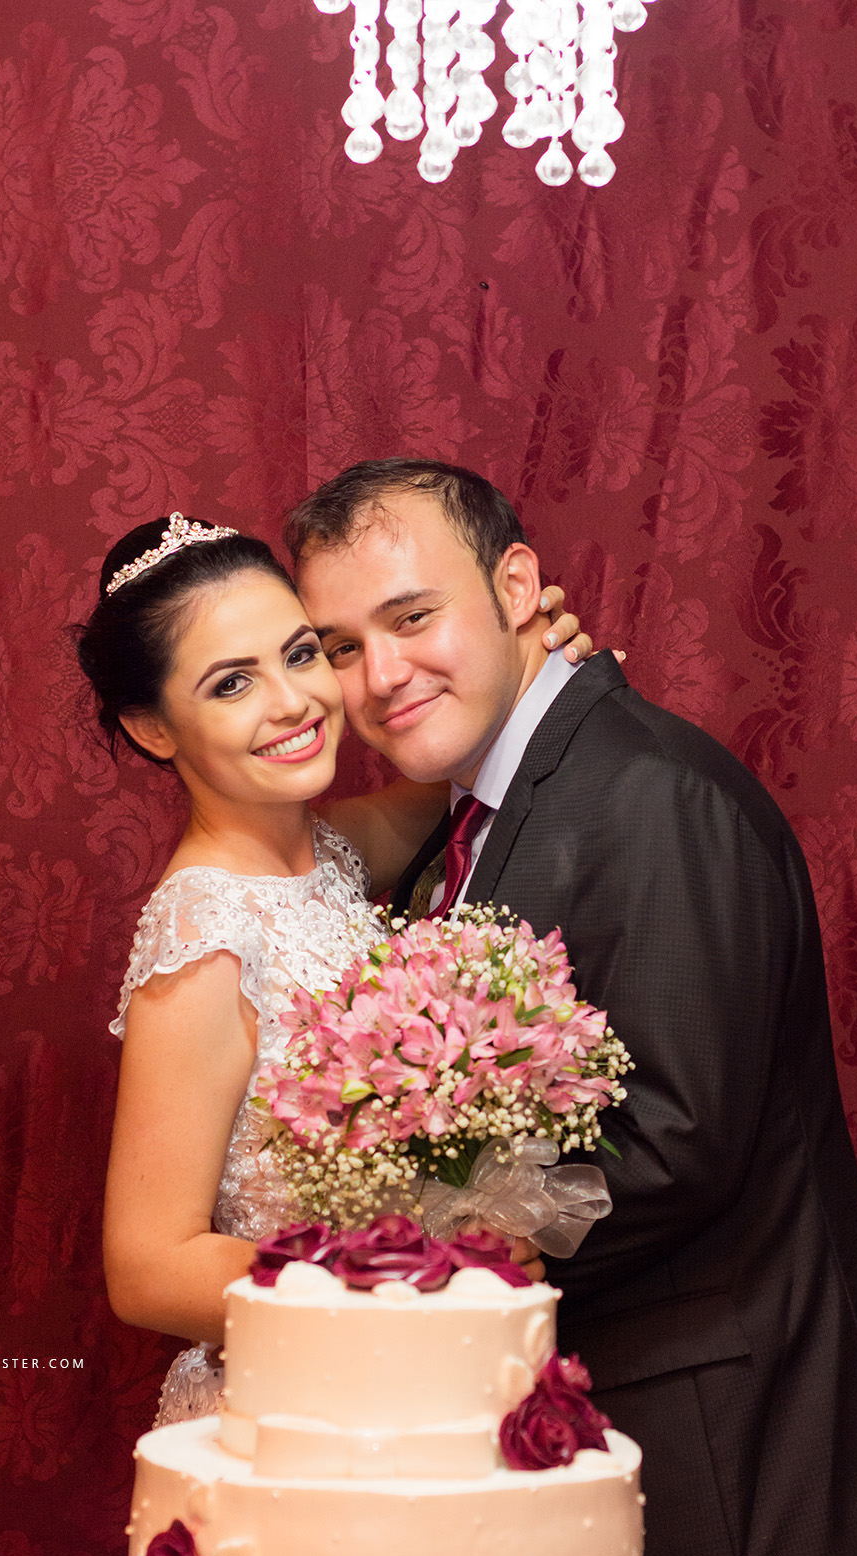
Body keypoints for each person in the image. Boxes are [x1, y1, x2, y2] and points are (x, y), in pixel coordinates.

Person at [284, 458, 857, 1556]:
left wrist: (418, 1244)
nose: (379, 677)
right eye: (337, 644)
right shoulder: (482, 807)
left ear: (518, 588)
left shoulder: (647, 796)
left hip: (725, 1483)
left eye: (413, 617)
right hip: (621, 1470)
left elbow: (679, 1138)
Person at [76, 513, 584, 1421]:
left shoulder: (333, 852)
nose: (293, 703)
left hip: (418, 1385)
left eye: (302, 655)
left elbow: (472, 759)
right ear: (154, 728)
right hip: (294, 1406)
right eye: (233, 683)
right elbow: (149, 1270)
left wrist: (533, 658)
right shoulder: (205, 933)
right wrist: (409, 1277)